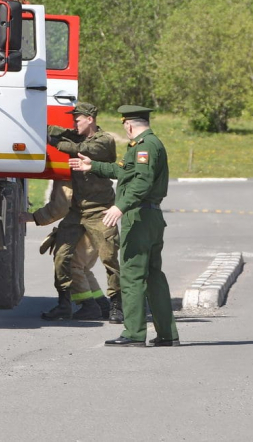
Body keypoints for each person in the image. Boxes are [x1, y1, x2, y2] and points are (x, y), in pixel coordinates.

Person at [70, 105, 179, 348]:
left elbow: (142, 181)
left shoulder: (146, 146)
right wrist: (93, 166)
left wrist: (120, 207)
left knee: (131, 275)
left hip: (139, 216)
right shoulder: (145, 145)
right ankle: (167, 334)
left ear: (128, 125)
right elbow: (124, 171)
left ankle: (134, 334)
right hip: (148, 216)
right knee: (153, 276)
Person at [27, 102, 120, 323]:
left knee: (109, 258)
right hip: (77, 211)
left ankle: (117, 305)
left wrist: (55, 142)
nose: (73, 123)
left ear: (90, 119)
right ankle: (64, 304)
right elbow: (55, 131)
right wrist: (33, 125)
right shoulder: (76, 135)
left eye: (77, 119)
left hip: (99, 210)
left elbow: (82, 150)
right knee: (61, 256)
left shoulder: (104, 141)